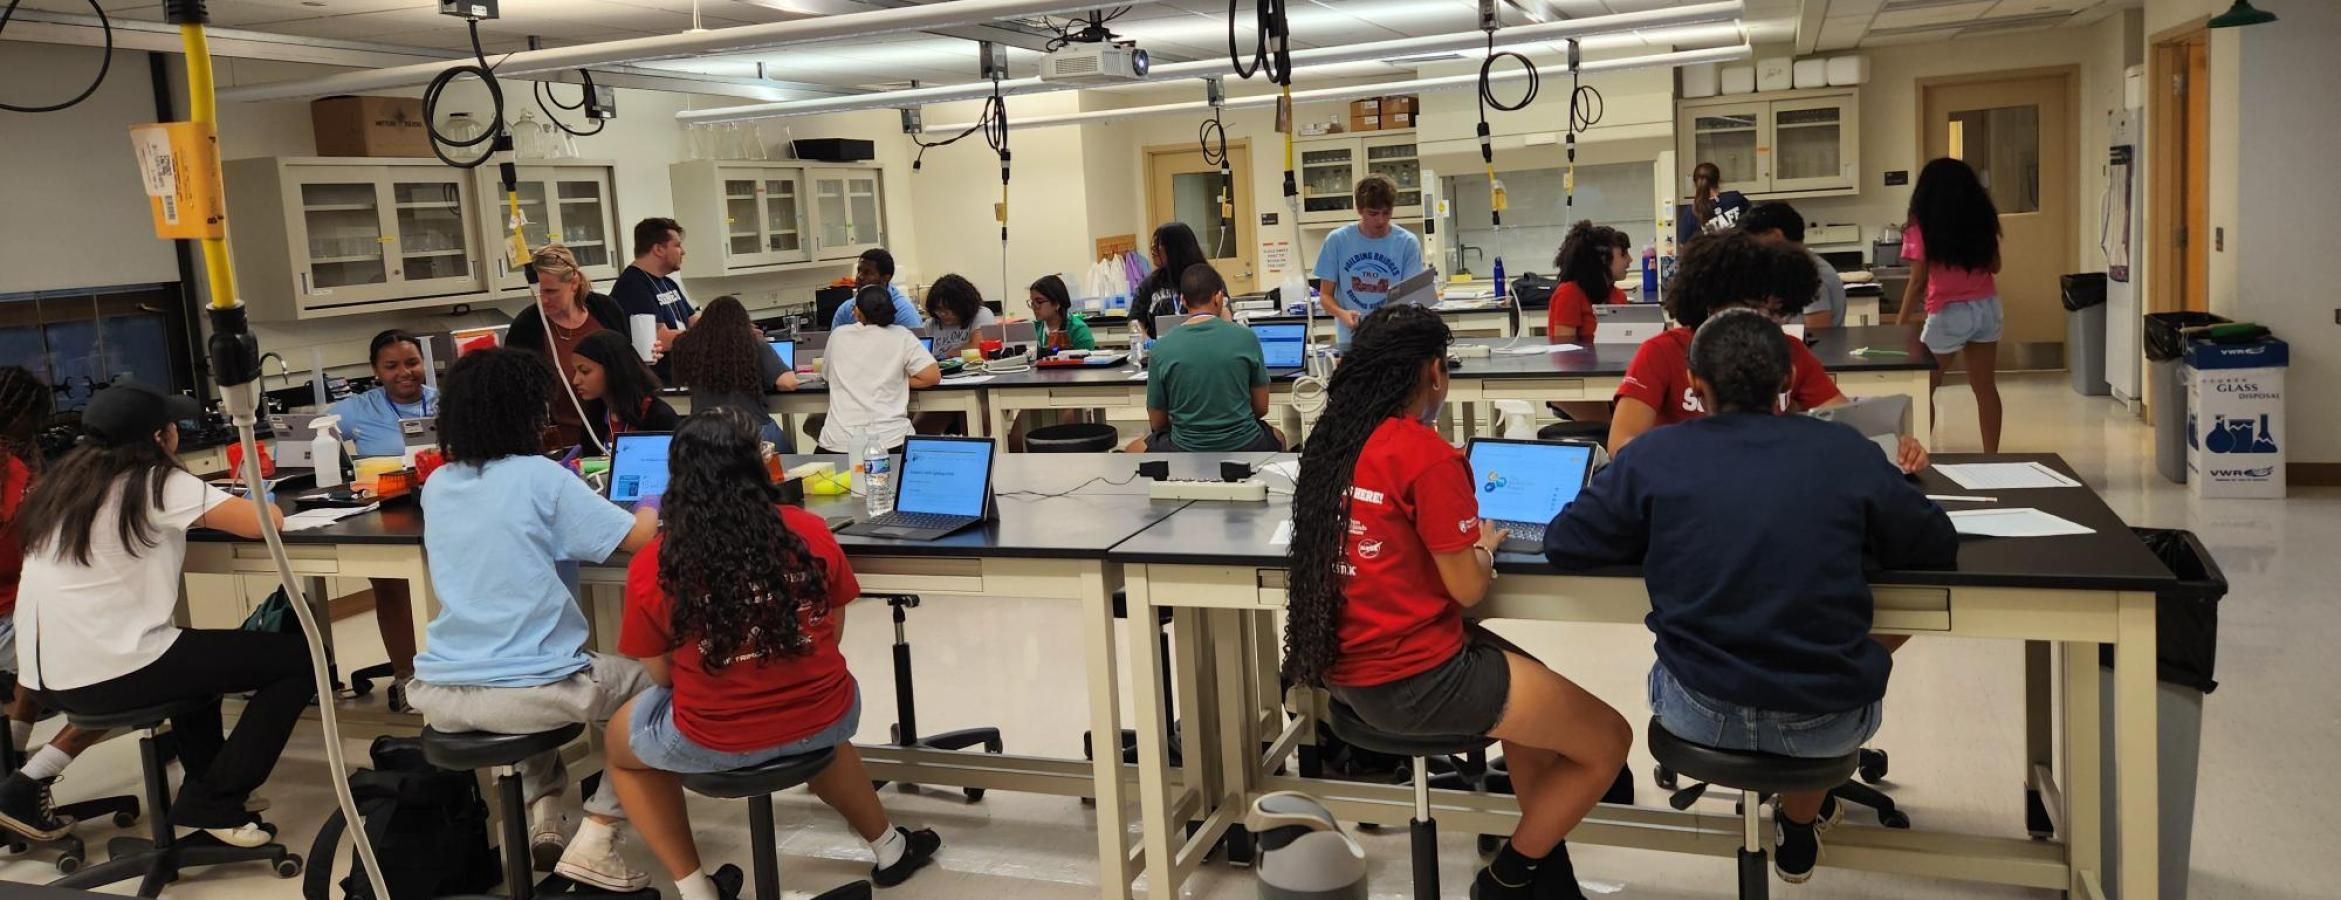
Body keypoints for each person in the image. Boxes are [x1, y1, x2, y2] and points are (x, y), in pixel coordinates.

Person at [1542, 310, 1958, 885]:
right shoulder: (1844, 450)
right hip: (1825, 724)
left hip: (1696, 712)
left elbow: (1567, 542)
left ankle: (1794, 806)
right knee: (1856, 642)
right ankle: (1799, 818)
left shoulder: (1653, 457)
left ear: (1693, 386)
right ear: (1788, 380)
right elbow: (1934, 545)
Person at [1282, 305, 1630, 900]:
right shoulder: (1425, 454)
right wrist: (1484, 548)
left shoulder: (1333, 445)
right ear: (1434, 373)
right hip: (1414, 680)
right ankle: (1510, 877)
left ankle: (1549, 868)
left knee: (1538, 690)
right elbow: (1469, 588)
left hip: (1346, 670)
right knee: (1609, 740)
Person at [605, 410, 942, 900]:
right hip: (828, 717)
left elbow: (659, 674)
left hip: (715, 737)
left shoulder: (656, 561)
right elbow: (833, 633)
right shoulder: (808, 530)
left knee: (623, 744)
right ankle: (889, 846)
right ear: (759, 468)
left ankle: (696, 890)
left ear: (678, 481)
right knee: (808, 712)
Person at [404, 348, 661, 892]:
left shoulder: (438, 484)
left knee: (530, 667)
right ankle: (599, 832)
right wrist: (654, 501)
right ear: (525, 411)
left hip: (443, 691)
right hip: (531, 689)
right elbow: (637, 540)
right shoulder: (543, 477)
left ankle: (544, 809)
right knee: (656, 687)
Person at [9, 381, 303, 849]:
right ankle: (215, 799)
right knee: (301, 658)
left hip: (51, 678)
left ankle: (204, 787)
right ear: (159, 437)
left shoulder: (65, 484)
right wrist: (260, 502)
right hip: (115, 669)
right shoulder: (156, 480)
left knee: (197, 655)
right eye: (171, 425)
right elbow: (262, 523)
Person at [1607, 232, 1929, 474]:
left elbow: (1847, 425)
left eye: (1776, 313)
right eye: (1753, 307)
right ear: (1713, 301)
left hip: (1770, 484)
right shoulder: (1662, 352)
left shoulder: (1788, 351)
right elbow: (1621, 445)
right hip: (1688, 486)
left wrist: (1893, 446)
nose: (1765, 321)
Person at [0, 367, 109, 842]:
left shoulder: (19, 458)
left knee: (40, 664)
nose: (40, 426)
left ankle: (14, 758)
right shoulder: (8, 466)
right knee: (122, 670)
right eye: (35, 416)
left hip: (21, 604)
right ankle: (26, 784)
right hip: (8, 609)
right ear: (18, 413)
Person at [327, 330, 437, 708]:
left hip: (443, 508)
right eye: (391, 366)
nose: (404, 373)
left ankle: (451, 674)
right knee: (391, 591)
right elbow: (305, 437)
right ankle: (406, 678)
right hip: (388, 515)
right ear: (376, 371)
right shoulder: (359, 408)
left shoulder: (447, 401)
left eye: (411, 362)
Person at [1896, 157, 2005, 453]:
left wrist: (1900, 322)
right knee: (1985, 388)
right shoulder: (1982, 219)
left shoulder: (1922, 225)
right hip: (1987, 308)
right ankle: (1991, 457)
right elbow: (1995, 266)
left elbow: (1917, 280)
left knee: (1923, 389)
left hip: (1948, 313)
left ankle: (1922, 454)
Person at [1131, 264, 1283, 453]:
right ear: (1219, 297)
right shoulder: (1246, 337)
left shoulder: (1162, 347)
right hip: (1245, 444)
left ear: (1183, 300)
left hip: (1184, 448)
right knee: (1280, 437)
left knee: (1133, 450)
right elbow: (1261, 408)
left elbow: (1157, 422)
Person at [506, 244, 629, 450]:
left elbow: (629, 368)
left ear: (574, 282)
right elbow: (515, 396)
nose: (543, 300)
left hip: (617, 435)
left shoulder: (606, 310)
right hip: (563, 445)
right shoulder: (527, 328)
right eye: (537, 292)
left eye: (551, 291)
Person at [818, 285, 942, 455]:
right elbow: (932, 376)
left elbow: (827, 376)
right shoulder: (901, 335)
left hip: (838, 445)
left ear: (857, 312)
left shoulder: (838, 335)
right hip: (891, 442)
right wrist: (896, 380)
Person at [670, 295, 796, 450]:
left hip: (702, 432)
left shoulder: (688, 347)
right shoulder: (753, 345)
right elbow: (787, 383)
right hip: (749, 429)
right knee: (787, 454)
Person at [1313, 174, 1425, 347]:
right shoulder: (1337, 241)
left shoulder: (1407, 243)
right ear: (1359, 209)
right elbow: (1325, 296)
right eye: (1373, 213)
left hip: (1393, 340)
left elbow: (1413, 298)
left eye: (1386, 213)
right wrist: (1342, 314)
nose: (1380, 220)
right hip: (1351, 340)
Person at [1739, 202, 1846, 331]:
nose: (1751, 248)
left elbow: (1819, 336)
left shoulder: (1812, 272)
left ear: (1775, 236)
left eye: (1753, 240)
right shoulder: (1792, 268)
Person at [571, 330, 681, 449]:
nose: (575, 380)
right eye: (575, 371)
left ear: (613, 369)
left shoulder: (659, 417)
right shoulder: (594, 415)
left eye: (585, 371)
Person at [610, 218, 698, 353]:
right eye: (677, 245)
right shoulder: (632, 287)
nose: (683, 251)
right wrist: (705, 335)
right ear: (658, 249)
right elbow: (660, 339)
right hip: (657, 373)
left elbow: (693, 321)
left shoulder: (668, 283)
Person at [1545, 220, 1629, 344]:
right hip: (1580, 363)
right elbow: (1564, 352)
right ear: (1603, 259)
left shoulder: (1618, 296)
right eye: (1623, 254)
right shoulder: (1569, 294)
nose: (1630, 260)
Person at [1131, 223, 1210, 341]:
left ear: (1177, 248)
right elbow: (1135, 321)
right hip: (1161, 352)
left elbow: (1224, 313)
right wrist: (1147, 343)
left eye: (1160, 244)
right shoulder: (1149, 284)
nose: (1153, 248)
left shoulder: (1205, 279)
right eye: (1153, 243)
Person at [828, 249, 924, 331]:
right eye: (859, 270)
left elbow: (918, 348)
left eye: (867, 272)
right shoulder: (845, 310)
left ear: (886, 278)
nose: (859, 277)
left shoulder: (904, 313)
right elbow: (834, 344)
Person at [922, 274, 999, 358]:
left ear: (964, 305)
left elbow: (979, 348)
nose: (943, 314)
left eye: (949, 309)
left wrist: (948, 354)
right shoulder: (930, 324)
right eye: (938, 309)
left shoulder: (981, 314)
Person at [1677, 161, 1750, 244]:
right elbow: (1752, 225)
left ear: (1695, 183)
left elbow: (1685, 245)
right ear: (1718, 181)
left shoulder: (1691, 212)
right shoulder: (1735, 199)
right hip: (1738, 255)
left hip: (1708, 256)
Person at [1029, 274, 1096, 352]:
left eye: (1039, 301)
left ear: (1057, 303)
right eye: (1032, 302)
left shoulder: (1078, 331)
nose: (1034, 307)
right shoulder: (1034, 329)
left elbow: (1085, 363)